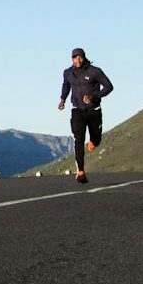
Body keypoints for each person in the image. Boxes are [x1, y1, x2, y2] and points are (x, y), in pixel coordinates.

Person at [57, 47, 113, 183]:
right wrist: (63, 99)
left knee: (96, 138)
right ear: (71, 59)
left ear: (84, 57)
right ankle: (80, 171)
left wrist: (93, 96)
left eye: (79, 57)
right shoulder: (68, 73)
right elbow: (66, 86)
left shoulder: (95, 71)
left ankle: (93, 141)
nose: (77, 60)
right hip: (77, 110)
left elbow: (109, 87)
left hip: (94, 110)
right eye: (74, 57)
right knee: (78, 138)